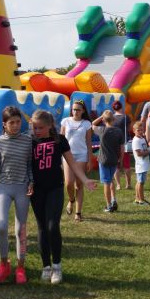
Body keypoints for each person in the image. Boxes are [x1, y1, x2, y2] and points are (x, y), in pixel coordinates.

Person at [29, 110, 96, 284]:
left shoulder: (59, 140)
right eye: (34, 127)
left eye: (40, 127)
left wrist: (84, 180)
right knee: (42, 227)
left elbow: (72, 163)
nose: (37, 131)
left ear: (50, 125)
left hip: (55, 188)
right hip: (37, 191)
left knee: (53, 226)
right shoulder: (30, 141)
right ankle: (46, 267)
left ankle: (57, 266)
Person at [0, 107, 32, 284]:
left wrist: (32, 181)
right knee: (1, 226)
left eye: (18, 122)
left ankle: (20, 267)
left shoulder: (28, 141)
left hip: (22, 188)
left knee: (20, 230)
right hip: (4, 187)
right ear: (4, 124)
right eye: (12, 122)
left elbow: (30, 165)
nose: (16, 125)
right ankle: (4, 265)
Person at [61, 100, 93, 221]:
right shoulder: (66, 121)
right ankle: (71, 200)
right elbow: (60, 139)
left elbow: (89, 143)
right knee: (68, 183)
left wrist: (90, 159)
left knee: (79, 184)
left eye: (78, 110)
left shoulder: (87, 124)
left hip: (82, 155)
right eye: (74, 109)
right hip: (67, 155)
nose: (76, 112)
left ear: (83, 111)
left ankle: (78, 213)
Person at [92, 110, 124, 213]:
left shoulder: (102, 130)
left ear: (103, 120)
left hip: (104, 160)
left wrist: (101, 116)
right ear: (114, 119)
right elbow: (122, 148)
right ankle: (114, 200)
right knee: (111, 180)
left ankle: (109, 205)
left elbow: (92, 124)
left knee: (106, 182)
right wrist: (121, 159)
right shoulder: (119, 131)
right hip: (114, 160)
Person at [110, 101, 133, 191]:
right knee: (126, 165)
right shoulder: (126, 117)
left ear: (113, 108)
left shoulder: (111, 118)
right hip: (124, 143)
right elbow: (130, 128)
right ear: (121, 107)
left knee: (116, 166)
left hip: (113, 144)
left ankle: (118, 185)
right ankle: (128, 184)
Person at [132, 121, 150, 205]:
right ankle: (141, 200)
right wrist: (149, 150)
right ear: (134, 131)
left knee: (139, 182)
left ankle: (137, 199)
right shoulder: (136, 140)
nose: (140, 132)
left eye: (141, 130)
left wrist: (148, 149)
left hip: (144, 164)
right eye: (138, 130)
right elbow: (139, 154)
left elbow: (144, 149)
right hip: (140, 165)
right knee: (141, 183)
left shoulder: (142, 139)